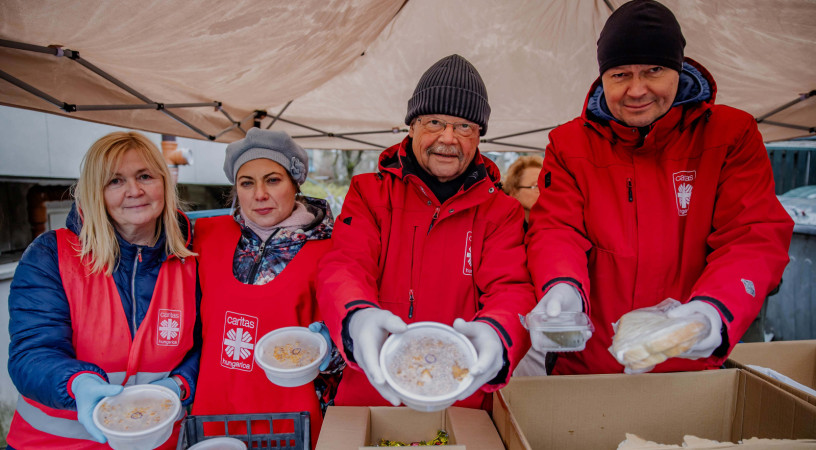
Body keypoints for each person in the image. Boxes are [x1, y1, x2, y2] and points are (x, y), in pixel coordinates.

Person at [526, 0, 794, 375]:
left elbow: (753, 235)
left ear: (678, 69)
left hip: (687, 362)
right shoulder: (570, 144)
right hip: (588, 364)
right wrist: (561, 285)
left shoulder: (730, 134)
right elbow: (556, 228)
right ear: (603, 76)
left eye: (653, 70)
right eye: (620, 74)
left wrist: (713, 310)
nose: (637, 90)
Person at [317, 54, 536, 409]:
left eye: (464, 126)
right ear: (412, 126)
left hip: (461, 396)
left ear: (479, 135)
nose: (448, 138)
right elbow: (345, 264)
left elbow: (511, 289)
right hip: (373, 388)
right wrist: (357, 316)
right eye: (434, 122)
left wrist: (499, 333)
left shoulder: (502, 211)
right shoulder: (370, 193)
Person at [7, 131, 198, 449]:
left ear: (164, 183)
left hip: (155, 439)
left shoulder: (192, 256)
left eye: (145, 176)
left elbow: (206, 343)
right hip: (53, 443)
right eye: (115, 181)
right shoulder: (51, 255)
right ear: (96, 191)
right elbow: (31, 353)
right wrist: (77, 383)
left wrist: (180, 383)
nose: (134, 191)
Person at [191, 128, 339, 447]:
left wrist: (334, 349)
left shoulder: (332, 248)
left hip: (291, 419)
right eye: (247, 182)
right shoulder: (203, 236)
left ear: (294, 184)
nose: (259, 194)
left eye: (272, 180)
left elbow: (349, 339)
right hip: (214, 412)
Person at [503, 154, 544, 226]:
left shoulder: (557, 224)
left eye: (546, 185)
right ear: (514, 193)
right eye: (536, 186)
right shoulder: (504, 229)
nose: (544, 191)